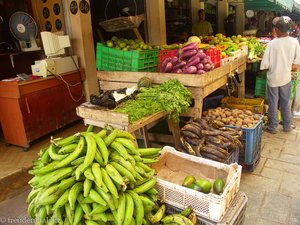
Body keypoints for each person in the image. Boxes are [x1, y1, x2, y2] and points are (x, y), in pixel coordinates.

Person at [260, 16, 300, 134]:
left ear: (277, 30)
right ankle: (287, 125)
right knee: (285, 102)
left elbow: (265, 64)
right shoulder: (294, 42)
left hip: (273, 77)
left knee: (273, 102)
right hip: (286, 77)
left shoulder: (272, 44)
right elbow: (297, 61)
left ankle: (273, 127)